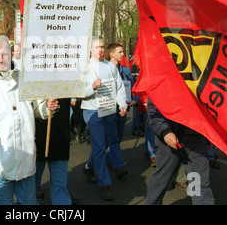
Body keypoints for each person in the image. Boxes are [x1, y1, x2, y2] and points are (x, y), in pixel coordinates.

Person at [0, 35, 58, 205]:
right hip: (0, 161)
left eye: (4, 54)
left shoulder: (26, 79)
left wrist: (48, 107)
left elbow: (39, 109)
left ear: (11, 53)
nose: (1, 59)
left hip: (27, 156)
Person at [81, 36, 128, 201]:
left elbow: (119, 86)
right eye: (97, 47)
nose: (100, 50)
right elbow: (77, 91)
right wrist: (91, 87)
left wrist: (122, 103)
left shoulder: (110, 66)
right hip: (92, 111)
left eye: (102, 46)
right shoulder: (84, 67)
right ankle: (105, 184)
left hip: (108, 110)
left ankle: (90, 166)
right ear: (90, 49)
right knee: (100, 146)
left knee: (107, 143)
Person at [145, 97, 215, 205]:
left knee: (198, 182)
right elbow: (153, 111)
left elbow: (210, 107)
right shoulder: (162, 80)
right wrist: (165, 132)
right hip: (170, 138)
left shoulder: (202, 80)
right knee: (162, 178)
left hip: (196, 139)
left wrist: (208, 135)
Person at [106, 42, 138, 176]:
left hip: (122, 108)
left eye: (123, 52)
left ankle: (106, 159)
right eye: (120, 52)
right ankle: (119, 165)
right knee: (112, 137)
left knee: (117, 137)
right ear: (112, 54)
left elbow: (131, 87)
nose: (123, 54)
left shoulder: (125, 70)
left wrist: (133, 101)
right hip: (108, 108)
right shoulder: (104, 69)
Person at [35, 98, 72, 205]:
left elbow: (80, 89)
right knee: (31, 179)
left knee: (60, 181)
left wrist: (91, 87)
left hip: (60, 137)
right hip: (37, 137)